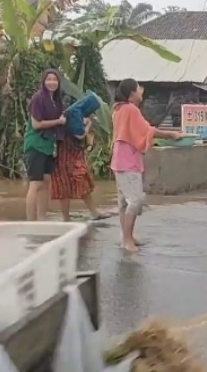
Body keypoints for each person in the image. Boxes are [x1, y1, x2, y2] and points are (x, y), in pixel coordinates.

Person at [112, 78, 185, 253]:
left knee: (124, 202)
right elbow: (147, 130)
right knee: (135, 202)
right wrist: (171, 135)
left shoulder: (118, 109)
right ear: (132, 94)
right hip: (128, 161)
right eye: (139, 88)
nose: (142, 90)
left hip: (119, 160)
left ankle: (127, 236)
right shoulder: (131, 109)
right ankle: (127, 240)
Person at [24, 69, 66, 221]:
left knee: (46, 182)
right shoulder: (38, 98)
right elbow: (36, 124)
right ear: (43, 81)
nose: (52, 82)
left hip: (48, 146)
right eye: (48, 79)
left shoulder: (56, 100)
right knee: (35, 183)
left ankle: (42, 219)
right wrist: (58, 121)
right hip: (36, 145)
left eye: (54, 79)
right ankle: (30, 222)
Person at [50, 116, 110, 222]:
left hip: (69, 151)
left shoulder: (66, 114)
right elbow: (80, 135)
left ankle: (90, 213)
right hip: (66, 152)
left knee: (76, 181)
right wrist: (88, 124)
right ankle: (68, 217)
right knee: (67, 183)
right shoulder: (71, 115)